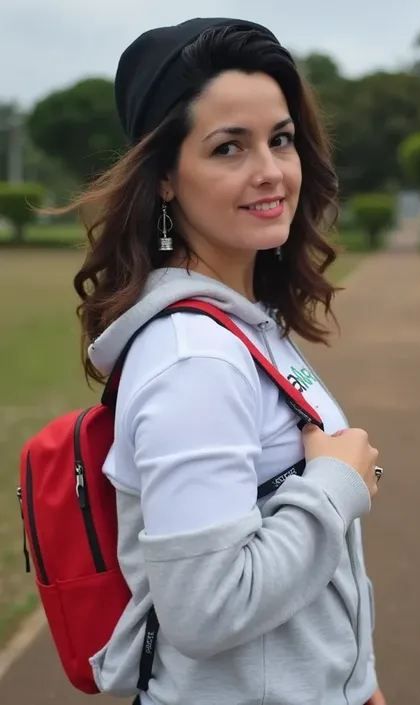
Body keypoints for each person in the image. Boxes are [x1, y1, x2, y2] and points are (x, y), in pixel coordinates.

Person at [61, 17, 386, 705]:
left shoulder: (243, 322)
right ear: (167, 180)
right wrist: (334, 483)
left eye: (281, 138)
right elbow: (206, 608)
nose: (270, 171)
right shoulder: (194, 360)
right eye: (228, 148)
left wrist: (358, 681)